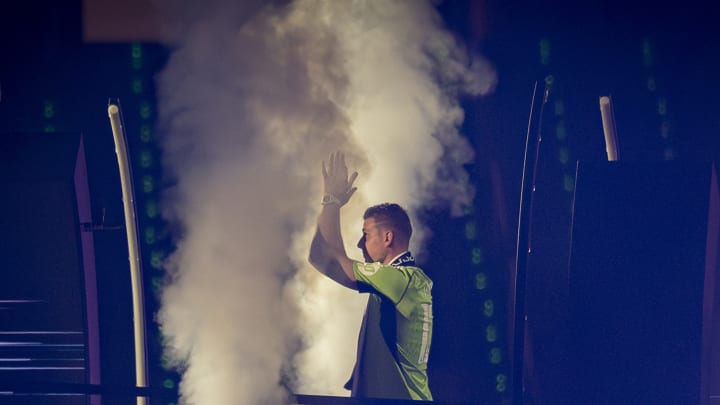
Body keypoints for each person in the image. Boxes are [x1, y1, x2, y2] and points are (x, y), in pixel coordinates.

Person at [308, 151, 433, 401]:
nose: (359, 243)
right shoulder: (402, 282)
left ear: (388, 238)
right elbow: (321, 257)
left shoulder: (399, 279)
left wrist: (331, 200)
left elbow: (327, 259)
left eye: (366, 234)